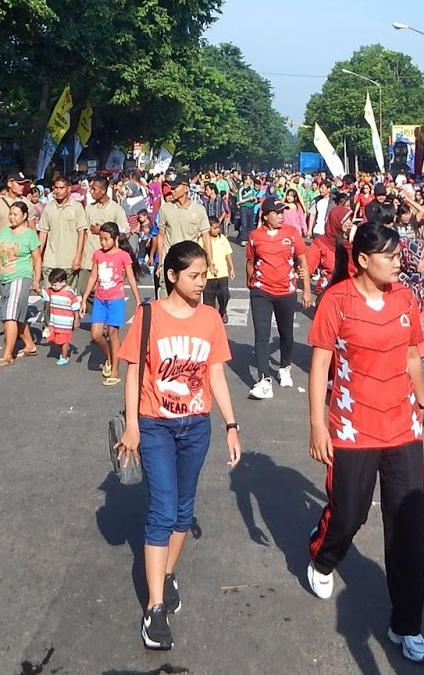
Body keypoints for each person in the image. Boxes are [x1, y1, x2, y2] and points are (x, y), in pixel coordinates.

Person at [305, 222, 424, 663]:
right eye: (389, 255)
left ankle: (407, 624)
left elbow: (413, 353)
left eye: (399, 255)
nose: (398, 262)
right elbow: (320, 364)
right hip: (352, 425)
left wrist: (421, 397)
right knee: (349, 513)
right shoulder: (337, 300)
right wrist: (317, 424)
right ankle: (323, 557)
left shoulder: (405, 297)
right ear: (362, 259)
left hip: (402, 425)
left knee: (408, 528)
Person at [114, 241, 242, 652]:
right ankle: (154, 608)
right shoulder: (149, 315)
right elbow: (133, 373)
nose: (202, 282)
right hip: (155, 426)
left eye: (205, 274)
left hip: (196, 427)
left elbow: (216, 373)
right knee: (163, 509)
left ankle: (167, 573)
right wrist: (132, 426)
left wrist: (231, 424)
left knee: (184, 510)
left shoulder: (210, 318)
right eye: (194, 275)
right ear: (172, 276)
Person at [247, 197, 312, 400]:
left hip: (286, 291)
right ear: (266, 216)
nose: (281, 216)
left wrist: (306, 290)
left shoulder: (291, 233)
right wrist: (251, 283)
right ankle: (264, 380)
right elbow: (250, 261)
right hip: (262, 291)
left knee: (286, 333)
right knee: (261, 334)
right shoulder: (255, 236)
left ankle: (285, 367)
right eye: (277, 213)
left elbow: (302, 261)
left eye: (283, 212)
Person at [0, 200, 41, 367]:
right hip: (5, 278)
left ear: (24, 216)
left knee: (10, 315)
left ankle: (7, 355)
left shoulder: (30, 235)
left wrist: (36, 280)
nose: (11, 217)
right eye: (10, 214)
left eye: (15, 214)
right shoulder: (4, 232)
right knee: (16, 315)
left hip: (21, 276)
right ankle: (29, 344)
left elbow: (37, 258)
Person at [80, 221, 139, 385]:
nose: (103, 242)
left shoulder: (123, 256)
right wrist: (84, 299)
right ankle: (110, 356)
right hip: (100, 299)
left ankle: (115, 371)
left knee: (113, 333)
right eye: (101, 239)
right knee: (96, 335)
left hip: (116, 300)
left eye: (106, 239)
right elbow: (93, 277)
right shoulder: (98, 255)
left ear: (116, 238)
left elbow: (131, 278)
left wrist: (138, 300)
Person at [37, 176, 86, 296]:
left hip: (69, 261)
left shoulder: (77, 207)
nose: (58, 191)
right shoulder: (48, 208)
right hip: (50, 261)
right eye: (56, 188)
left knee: (67, 297)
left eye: (61, 188)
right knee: (48, 297)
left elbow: (82, 233)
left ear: (69, 189)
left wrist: (78, 256)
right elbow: (43, 233)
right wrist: (38, 257)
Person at [155, 171, 210, 265]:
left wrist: (209, 260)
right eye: (171, 188)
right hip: (170, 261)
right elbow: (161, 236)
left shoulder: (199, 210)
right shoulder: (165, 208)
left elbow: (206, 237)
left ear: (186, 188)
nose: (172, 190)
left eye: (175, 187)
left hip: (190, 261)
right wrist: (160, 261)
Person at [44, 270, 81, 365]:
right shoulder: (51, 291)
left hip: (66, 322)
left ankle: (64, 357)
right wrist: (36, 290)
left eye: (55, 285)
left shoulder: (69, 293)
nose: (53, 287)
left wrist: (76, 319)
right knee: (53, 339)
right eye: (52, 284)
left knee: (64, 341)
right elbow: (44, 294)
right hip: (55, 321)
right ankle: (65, 349)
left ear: (63, 282)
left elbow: (75, 306)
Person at [204, 220, 234, 322]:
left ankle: (223, 311)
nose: (217, 230)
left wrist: (232, 268)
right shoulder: (203, 240)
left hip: (222, 273)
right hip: (209, 274)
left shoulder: (222, 238)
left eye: (218, 228)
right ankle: (211, 317)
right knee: (209, 299)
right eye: (214, 228)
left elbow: (228, 253)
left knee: (224, 295)